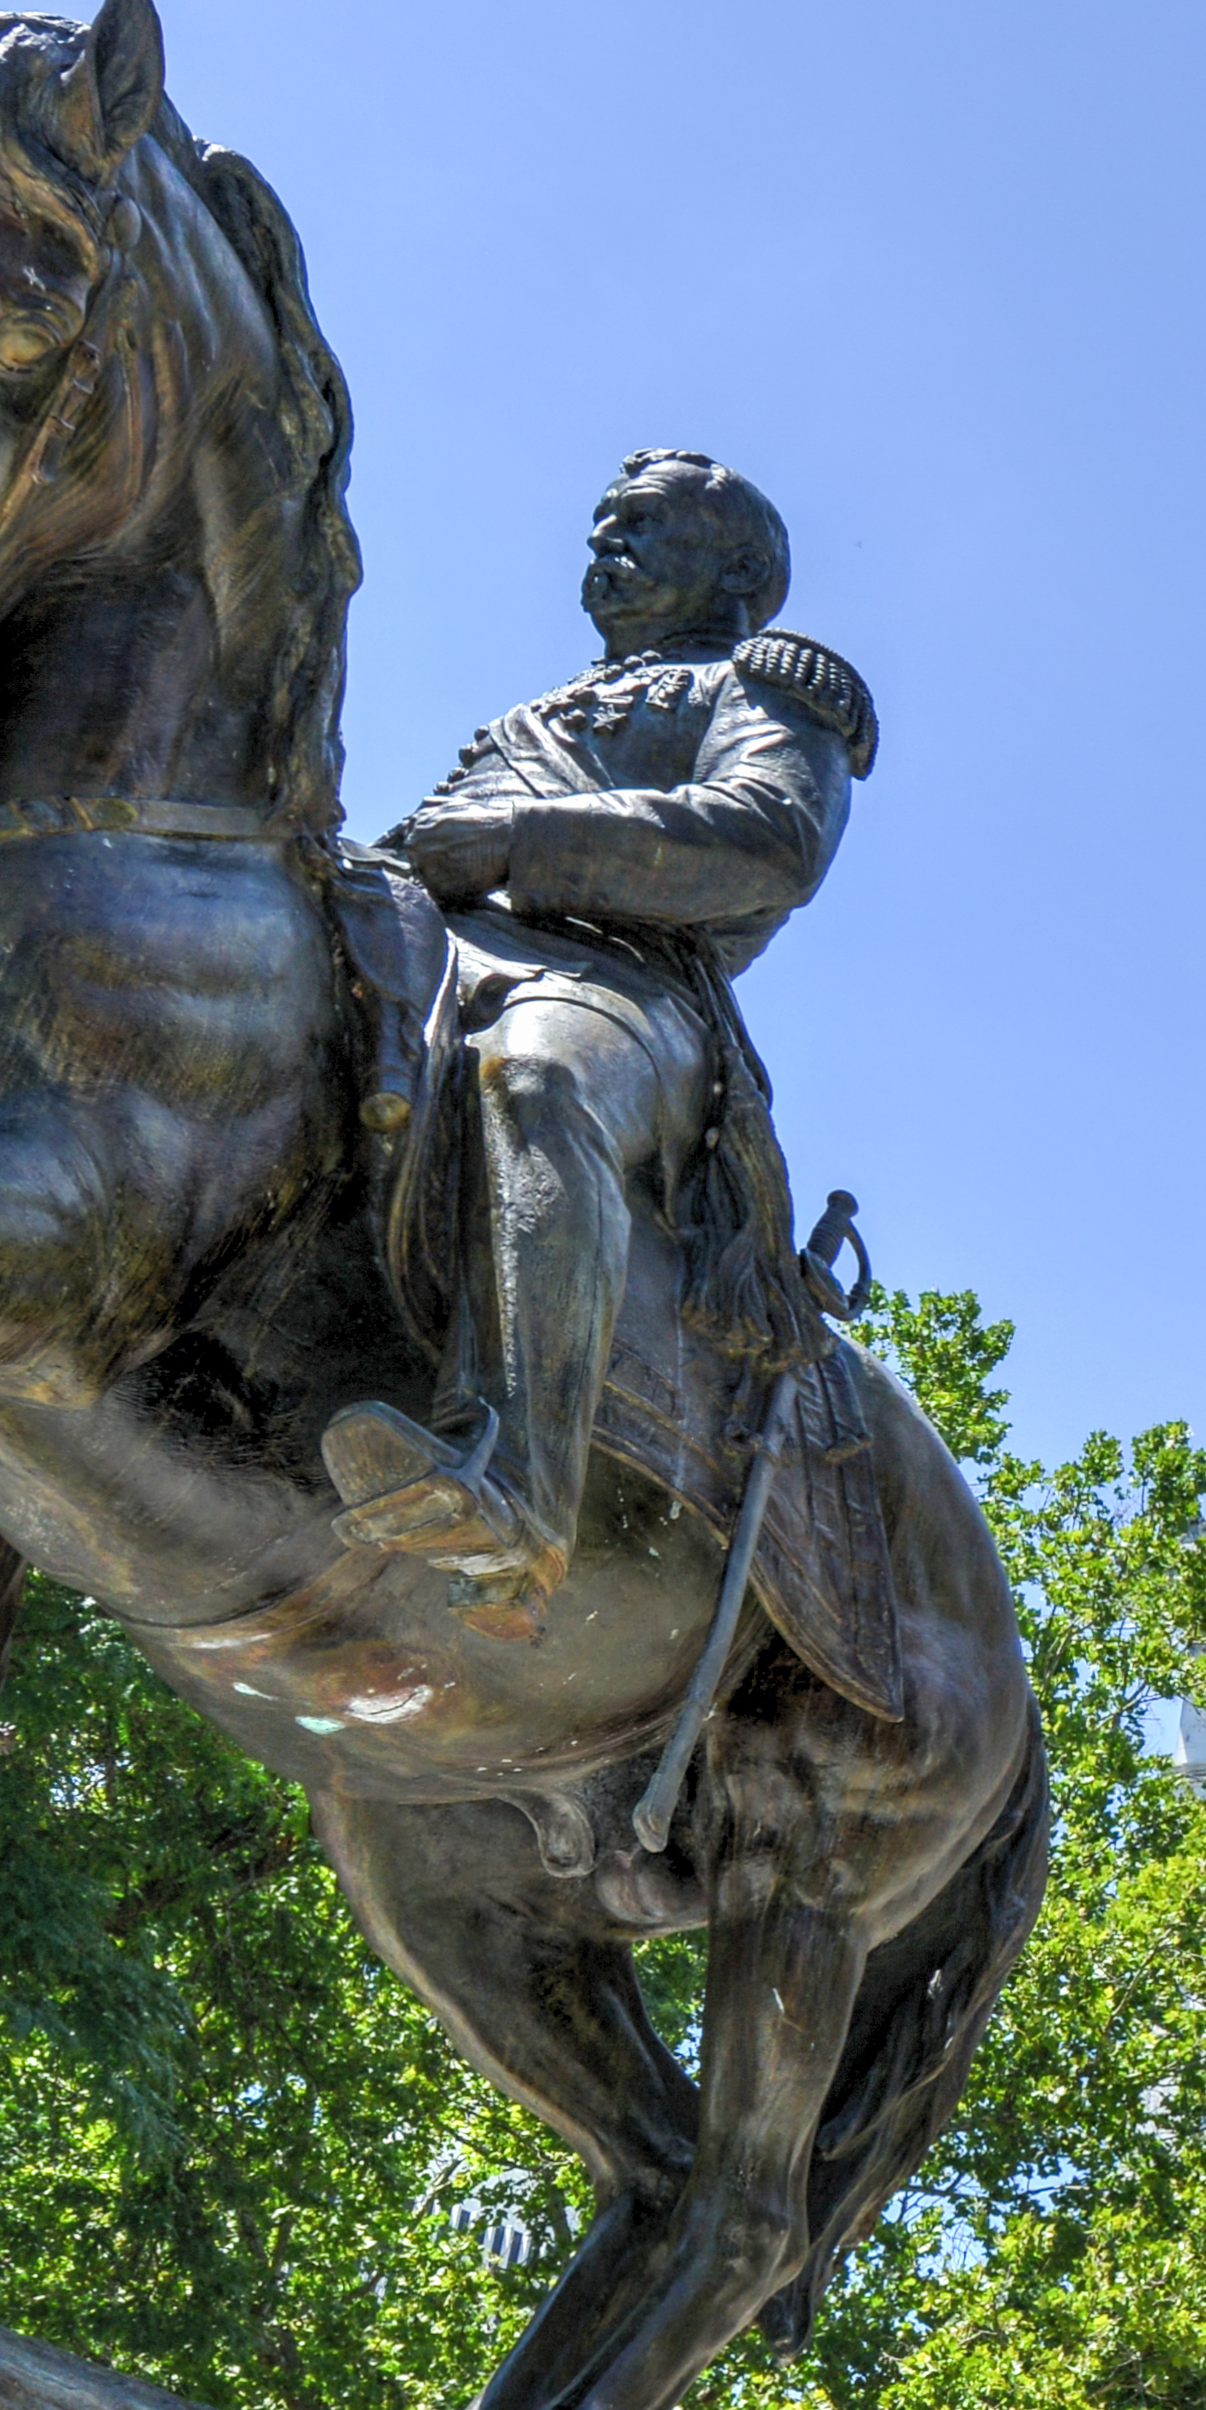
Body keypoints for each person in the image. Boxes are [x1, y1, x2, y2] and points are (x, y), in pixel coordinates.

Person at [323, 451, 871, 1613]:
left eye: (641, 524)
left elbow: (770, 836)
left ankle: (516, 1483)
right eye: (599, 523)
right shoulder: (522, 721)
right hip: (445, 959)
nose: (603, 542)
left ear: (733, 571)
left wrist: (526, 844)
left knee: (534, 1080)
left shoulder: (765, 686)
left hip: (633, 993)